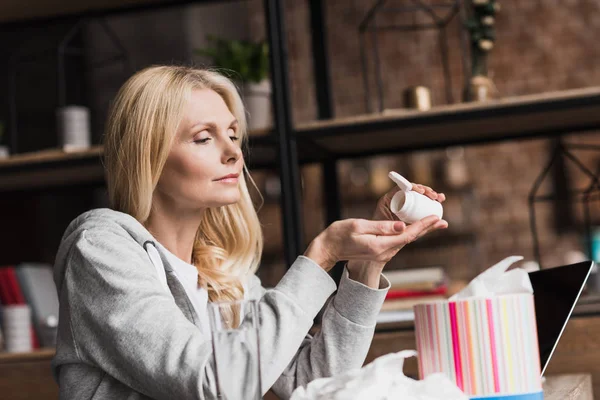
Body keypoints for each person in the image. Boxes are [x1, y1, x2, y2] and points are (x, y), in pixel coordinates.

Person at [51, 65, 447, 400]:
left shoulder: (221, 273)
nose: (233, 153)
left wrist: (363, 266)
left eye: (234, 135)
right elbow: (215, 382)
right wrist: (321, 255)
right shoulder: (100, 248)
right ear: (147, 154)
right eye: (204, 138)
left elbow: (315, 383)